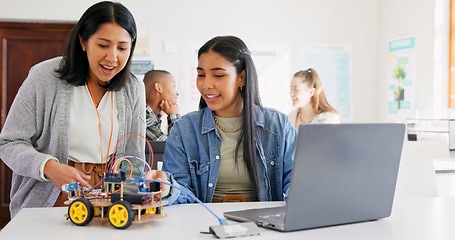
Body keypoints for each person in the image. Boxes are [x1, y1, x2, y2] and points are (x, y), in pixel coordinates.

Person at [0, 1, 145, 218]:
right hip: (54, 193)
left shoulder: (133, 88)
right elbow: (9, 143)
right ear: (83, 42)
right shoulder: (45, 77)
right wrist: (48, 166)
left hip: (110, 200)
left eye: (122, 48)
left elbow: (134, 159)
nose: (112, 57)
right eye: (103, 45)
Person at [148, 36, 297, 205]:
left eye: (218, 75)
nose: (206, 85)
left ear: (242, 78)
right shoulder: (184, 130)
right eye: (201, 75)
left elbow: (297, 181)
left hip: (264, 225)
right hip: (203, 223)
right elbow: (182, 191)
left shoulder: (278, 126)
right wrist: (167, 188)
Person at [143, 70, 180, 142]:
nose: (177, 93)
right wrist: (173, 115)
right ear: (159, 88)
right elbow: (175, 147)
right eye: (174, 86)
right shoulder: (143, 117)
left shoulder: (152, 116)